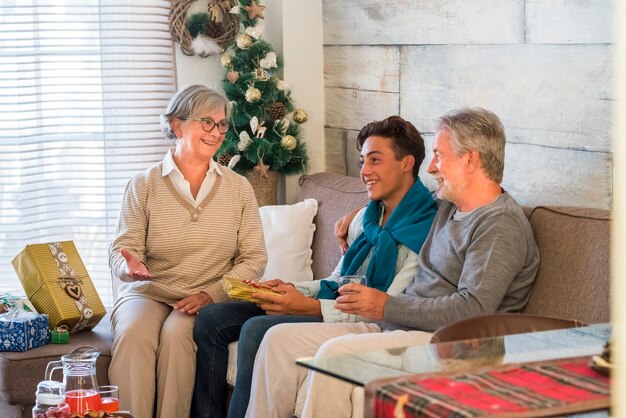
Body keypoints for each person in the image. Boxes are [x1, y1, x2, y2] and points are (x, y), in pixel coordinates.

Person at [246, 107, 541, 418]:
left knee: (333, 357)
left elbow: (474, 309)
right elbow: (402, 199)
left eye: (440, 155)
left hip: (451, 344)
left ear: (470, 159)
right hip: (402, 328)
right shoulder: (448, 207)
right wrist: (360, 215)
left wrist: (385, 306)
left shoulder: (499, 225)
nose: (432, 168)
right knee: (277, 340)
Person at [191, 116, 438, 418]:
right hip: (334, 302)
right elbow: (337, 280)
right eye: (362, 161)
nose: (365, 172)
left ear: (406, 163)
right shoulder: (368, 217)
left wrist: (308, 307)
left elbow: (389, 309)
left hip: (368, 321)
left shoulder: (426, 230)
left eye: (375, 161)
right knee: (212, 319)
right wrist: (289, 289)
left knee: (257, 330)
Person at [107, 85, 267, 418]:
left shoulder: (238, 188)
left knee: (178, 336)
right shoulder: (144, 184)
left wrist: (212, 293)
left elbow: (254, 258)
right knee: (134, 334)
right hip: (148, 292)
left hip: (203, 296)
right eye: (206, 122)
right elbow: (123, 249)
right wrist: (129, 266)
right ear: (178, 126)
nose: (217, 132)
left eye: (222, 124)